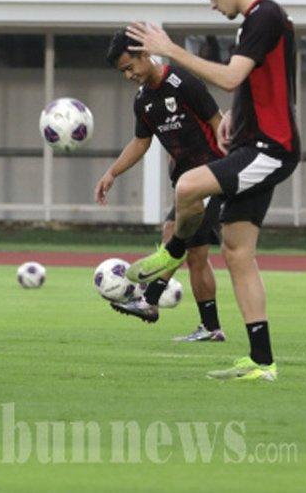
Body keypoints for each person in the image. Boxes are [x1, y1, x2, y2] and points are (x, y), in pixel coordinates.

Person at [125, 0, 299, 382]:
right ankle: (262, 362)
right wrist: (234, 124)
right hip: (253, 143)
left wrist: (169, 50)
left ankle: (172, 254)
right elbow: (258, 86)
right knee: (237, 253)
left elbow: (230, 77)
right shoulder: (257, 23)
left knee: (188, 186)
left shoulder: (265, 15)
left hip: (270, 148)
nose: (211, 3)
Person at [96, 30, 225, 341]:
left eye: (130, 67)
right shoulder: (143, 100)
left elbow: (217, 121)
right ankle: (210, 328)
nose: (128, 75)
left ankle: (149, 301)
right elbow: (141, 143)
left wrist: (232, 167)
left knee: (174, 235)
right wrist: (112, 173)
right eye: (122, 72)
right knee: (195, 255)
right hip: (187, 185)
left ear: (144, 54)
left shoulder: (183, 82)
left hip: (213, 176)